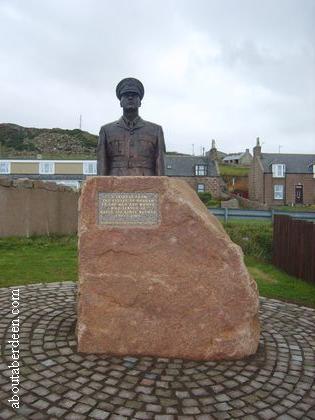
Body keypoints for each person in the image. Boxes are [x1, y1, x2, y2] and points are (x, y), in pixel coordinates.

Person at [97, 78, 166, 176]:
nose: (130, 98)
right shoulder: (106, 130)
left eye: (134, 95)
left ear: (140, 102)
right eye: (126, 95)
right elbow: (102, 164)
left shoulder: (155, 130)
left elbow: (160, 164)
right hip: (115, 185)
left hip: (146, 185)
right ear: (120, 102)